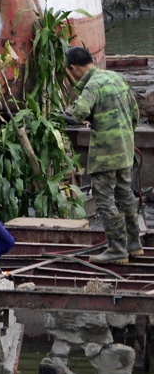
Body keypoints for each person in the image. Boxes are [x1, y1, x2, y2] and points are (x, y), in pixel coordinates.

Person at [67, 44, 145, 261]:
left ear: (73, 69)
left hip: (105, 154)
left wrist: (76, 112)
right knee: (126, 195)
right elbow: (135, 113)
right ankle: (135, 244)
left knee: (104, 200)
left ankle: (117, 249)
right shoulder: (116, 77)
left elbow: (79, 113)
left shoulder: (91, 86)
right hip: (125, 150)